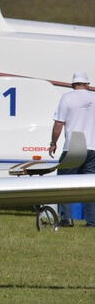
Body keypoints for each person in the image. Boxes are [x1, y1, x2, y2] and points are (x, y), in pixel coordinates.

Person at [49, 71, 95, 227]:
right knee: (90, 186)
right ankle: (92, 221)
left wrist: (53, 143)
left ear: (73, 84)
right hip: (93, 147)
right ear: (87, 84)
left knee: (65, 183)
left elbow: (59, 124)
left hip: (74, 146)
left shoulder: (67, 98)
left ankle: (66, 219)